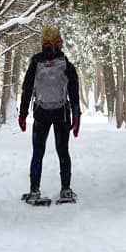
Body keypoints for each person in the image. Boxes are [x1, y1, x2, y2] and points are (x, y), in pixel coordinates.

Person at [18, 24, 81, 203]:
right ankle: (66, 190)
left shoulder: (36, 63)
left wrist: (22, 114)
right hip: (62, 113)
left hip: (41, 113)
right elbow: (74, 93)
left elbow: (26, 90)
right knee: (63, 151)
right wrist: (76, 117)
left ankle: (34, 190)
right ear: (59, 43)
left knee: (38, 152)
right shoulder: (66, 64)